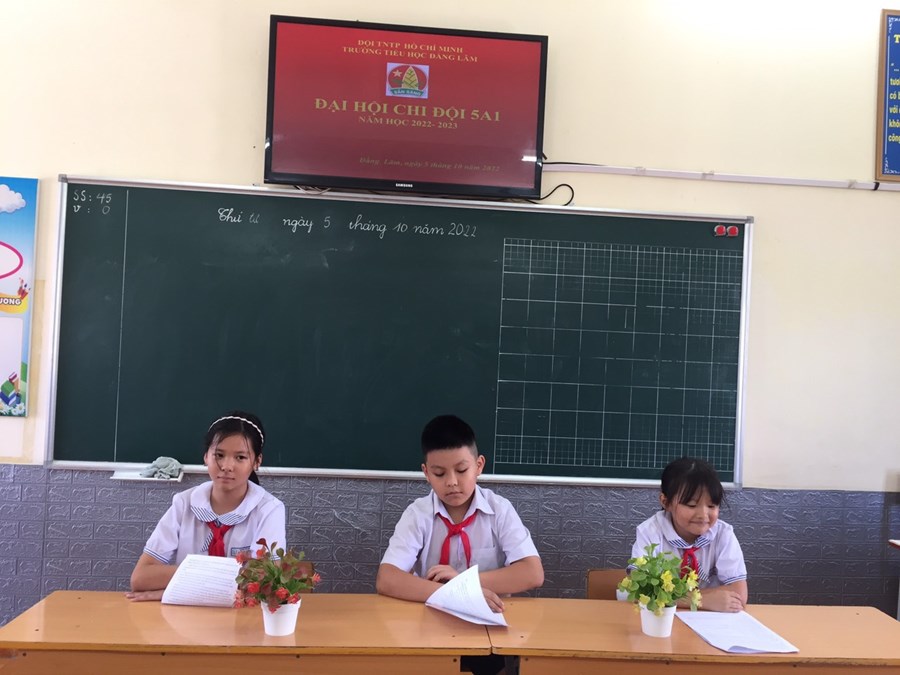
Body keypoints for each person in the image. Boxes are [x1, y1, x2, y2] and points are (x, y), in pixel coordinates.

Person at [376, 414, 543, 675]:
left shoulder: (499, 510)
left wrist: (465, 583)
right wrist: (453, 593)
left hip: (487, 630)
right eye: (439, 473)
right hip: (429, 627)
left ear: (479, 465)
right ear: (426, 473)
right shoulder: (417, 514)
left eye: (462, 470)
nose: (452, 482)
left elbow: (532, 573)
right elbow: (387, 579)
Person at [127, 411, 286, 601]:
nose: (227, 466)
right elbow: (140, 578)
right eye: (219, 455)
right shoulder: (184, 503)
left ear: (257, 461)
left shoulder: (269, 510)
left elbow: (267, 584)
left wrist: (181, 586)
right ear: (205, 457)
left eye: (240, 457)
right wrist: (226, 579)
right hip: (186, 616)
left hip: (243, 617)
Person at [629, 456, 748, 613]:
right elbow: (641, 589)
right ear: (665, 502)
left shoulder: (723, 534)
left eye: (712, 506)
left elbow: (739, 595)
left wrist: (669, 597)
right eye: (691, 505)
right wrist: (699, 599)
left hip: (711, 619)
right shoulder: (650, 532)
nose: (703, 515)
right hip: (662, 618)